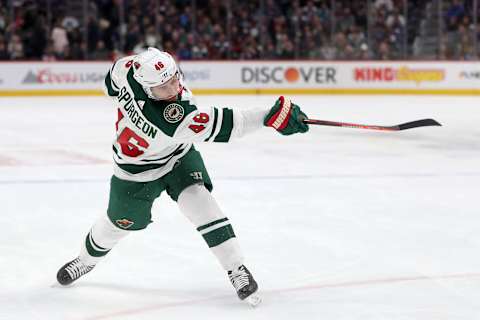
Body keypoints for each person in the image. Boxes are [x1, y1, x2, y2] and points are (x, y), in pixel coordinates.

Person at [56, 47, 309, 306]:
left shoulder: (131, 69)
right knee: (118, 224)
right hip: (135, 171)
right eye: (164, 87)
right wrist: (272, 116)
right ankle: (85, 261)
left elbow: (111, 80)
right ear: (147, 89)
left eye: (175, 78)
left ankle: (236, 269)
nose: (174, 88)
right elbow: (236, 123)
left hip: (178, 158)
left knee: (200, 203)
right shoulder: (173, 119)